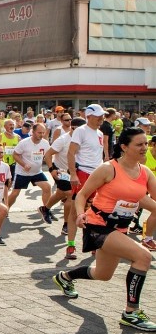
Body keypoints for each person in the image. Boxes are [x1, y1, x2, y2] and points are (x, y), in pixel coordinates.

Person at [53, 128, 156, 332]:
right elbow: (82, 195)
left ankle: (65, 277)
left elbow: (149, 198)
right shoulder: (109, 169)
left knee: (103, 274)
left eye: (146, 143)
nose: (145, 148)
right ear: (124, 147)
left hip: (120, 229)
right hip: (98, 226)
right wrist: (81, 214)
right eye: (139, 144)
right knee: (143, 258)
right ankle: (131, 312)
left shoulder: (145, 172)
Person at [66, 104, 108, 260]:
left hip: (97, 174)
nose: (101, 119)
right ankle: (70, 245)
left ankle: (92, 244)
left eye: (102, 116)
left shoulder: (100, 132)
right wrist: (73, 174)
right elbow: (71, 153)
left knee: (95, 210)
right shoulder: (80, 131)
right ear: (88, 116)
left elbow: (100, 155)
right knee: (76, 210)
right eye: (98, 116)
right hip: (83, 172)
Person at [44, 117, 86, 240]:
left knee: (60, 194)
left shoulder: (84, 139)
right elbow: (47, 154)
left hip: (76, 171)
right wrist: (51, 170)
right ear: (74, 128)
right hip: (61, 171)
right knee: (69, 195)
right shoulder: (63, 139)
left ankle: (45, 208)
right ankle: (66, 224)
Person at [8, 123, 53, 222]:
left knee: (47, 187)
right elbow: (15, 155)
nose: (41, 135)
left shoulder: (45, 143)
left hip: (37, 172)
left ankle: (46, 211)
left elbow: (48, 156)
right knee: (15, 193)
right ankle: (5, 209)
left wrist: (52, 168)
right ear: (33, 132)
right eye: (39, 132)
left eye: (43, 132)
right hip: (23, 172)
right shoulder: (24, 143)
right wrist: (24, 164)